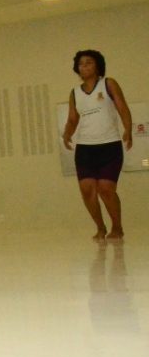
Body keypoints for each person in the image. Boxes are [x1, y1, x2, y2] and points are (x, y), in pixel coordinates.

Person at [62, 50, 132, 241]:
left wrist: (128, 129)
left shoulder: (108, 84)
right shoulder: (75, 93)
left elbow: (122, 106)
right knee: (87, 189)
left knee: (106, 188)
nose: (84, 66)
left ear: (97, 66)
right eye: (81, 64)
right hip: (85, 148)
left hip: (109, 145)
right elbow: (72, 118)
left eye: (89, 63)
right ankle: (100, 227)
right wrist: (67, 133)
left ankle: (117, 227)